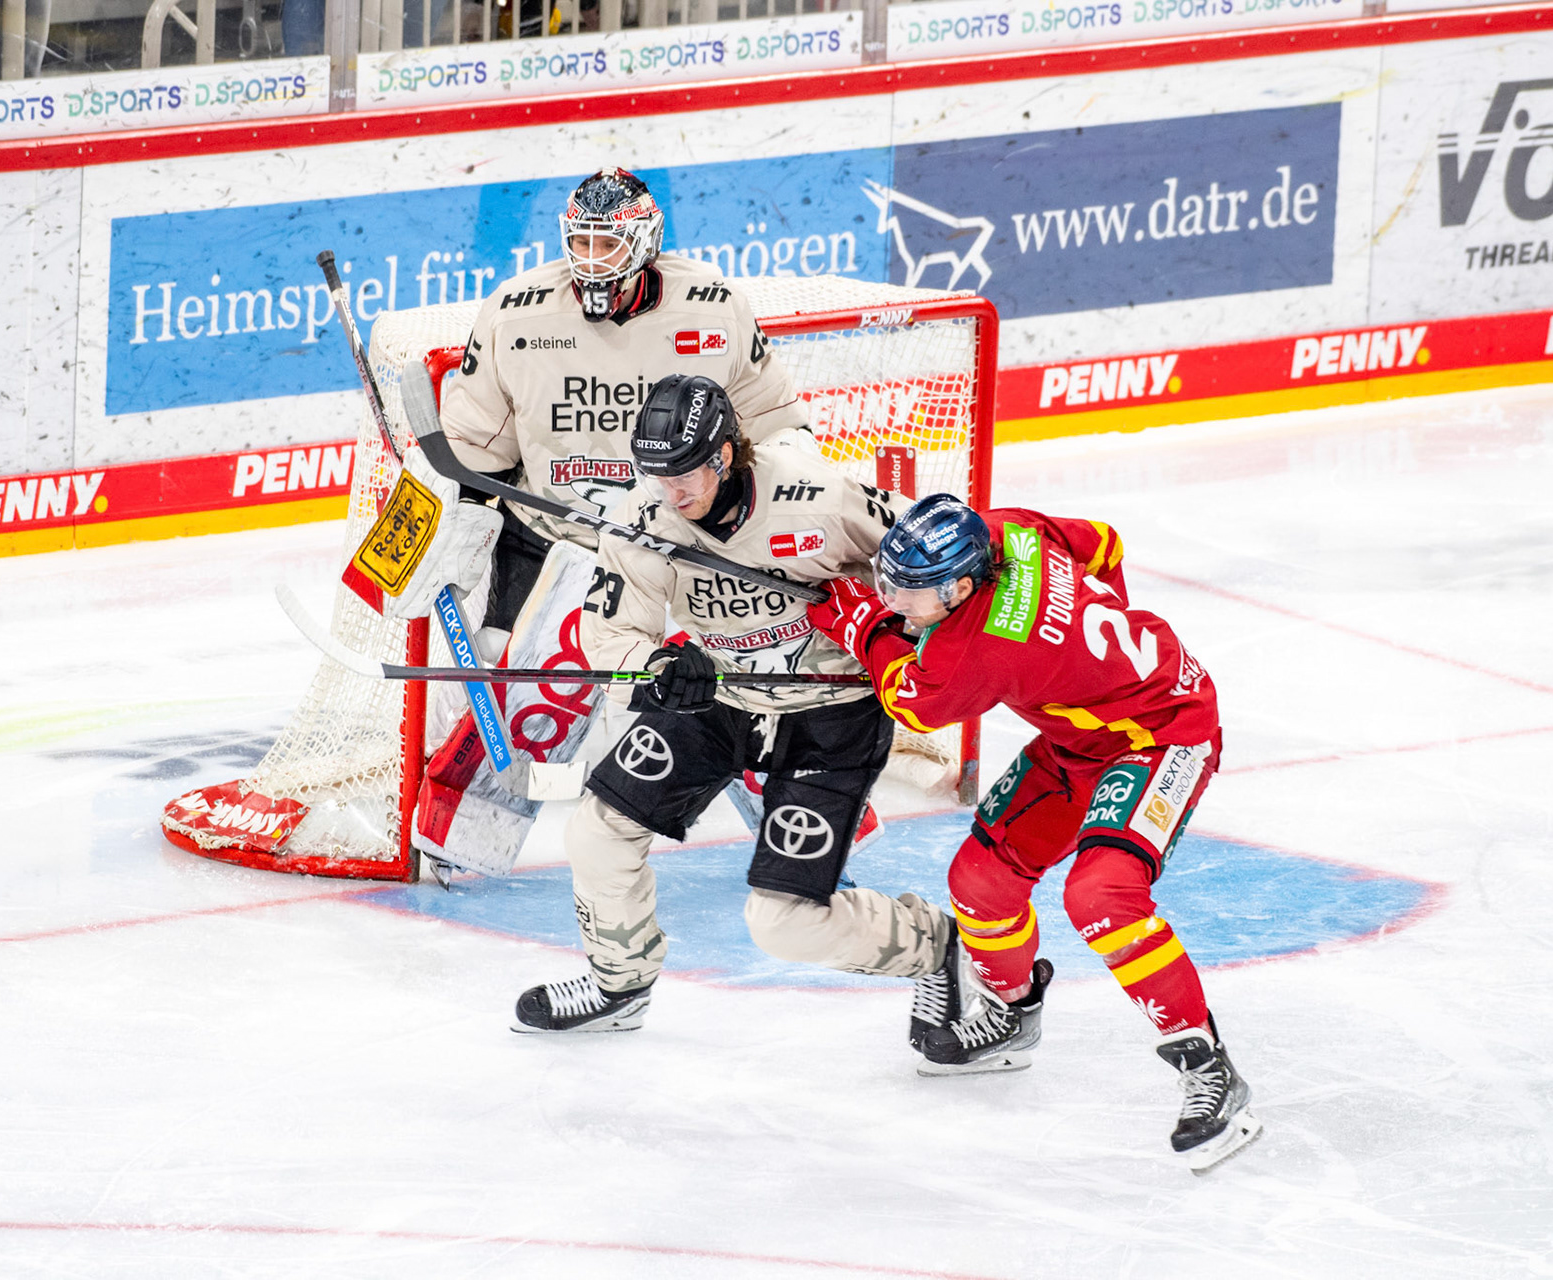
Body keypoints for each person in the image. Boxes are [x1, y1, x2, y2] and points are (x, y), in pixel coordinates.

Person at [355, 166, 819, 872]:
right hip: (565, 539)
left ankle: (810, 831)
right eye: (582, 242)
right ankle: (462, 841)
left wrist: (780, 519)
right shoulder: (517, 313)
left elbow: (779, 428)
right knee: (536, 697)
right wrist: (439, 533)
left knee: (749, 685)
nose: (592, 260)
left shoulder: (715, 308)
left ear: (646, 240)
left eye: (609, 243)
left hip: (689, 541)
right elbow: (469, 453)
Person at [805, 494, 1263, 1172]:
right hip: (1083, 734)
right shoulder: (1006, 530)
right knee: (980, 883)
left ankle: (1211, 1071)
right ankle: (1012, 1015)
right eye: (890, 583)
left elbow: (910, 699)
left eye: (910, 591)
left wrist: (864, 626)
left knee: (1102, 894)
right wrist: (1081, 662)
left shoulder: (976, 648)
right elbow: (1104, 544)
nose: (896, 598)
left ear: (962, 586)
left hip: (1164, 733)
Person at [509, 375, 970, 1034]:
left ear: (725, 454)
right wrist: (660, 668)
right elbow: (613, 635)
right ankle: (620, 980)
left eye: (686, 473)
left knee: (783, 923)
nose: (672, 492)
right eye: (658, 475)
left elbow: (940, 553)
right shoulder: (644, 522)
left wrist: (910, 633)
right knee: (596, 828)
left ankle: (939, 946)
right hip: (719, 696)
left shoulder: (820, 496)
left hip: (830, 713)